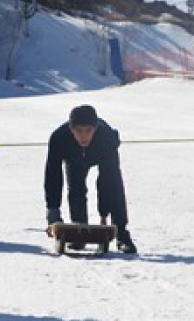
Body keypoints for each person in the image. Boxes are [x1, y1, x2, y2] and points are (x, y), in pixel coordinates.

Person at [44, 105, 137, 253]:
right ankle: (79, 232)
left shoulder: (106, 137)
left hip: (101, 154)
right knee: (76, 189)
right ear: (71, 129)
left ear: (95, 129)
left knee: (113, 185)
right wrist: (53, 210)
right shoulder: (59, 139)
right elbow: (53, 175)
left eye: (88, 131)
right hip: (73, 159)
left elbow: (109, 180)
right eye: (78, 131)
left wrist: (103, 214)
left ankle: (123, 236)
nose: (83, 136)